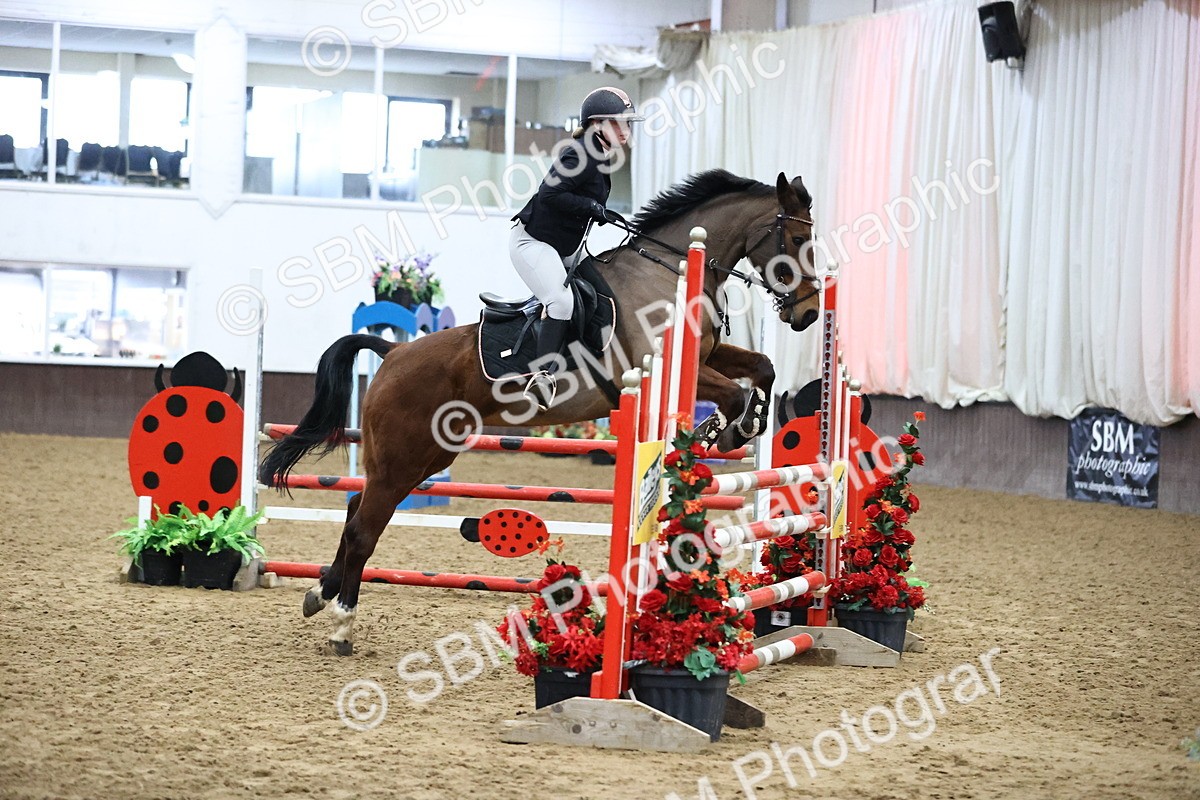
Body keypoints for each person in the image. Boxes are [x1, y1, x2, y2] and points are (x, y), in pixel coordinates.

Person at [510, 86, 642, 411]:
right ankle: (541, 377)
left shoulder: (601, 154)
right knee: (561, 300)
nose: (626, 130)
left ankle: (586, 363)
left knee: (606, 294)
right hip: (533, 243)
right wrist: (591, 207)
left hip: (565, 247)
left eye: (628, 123)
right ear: (597, 124)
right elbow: (549, 195)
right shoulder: (579, 152)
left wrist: (597, 211)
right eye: (619, 123)